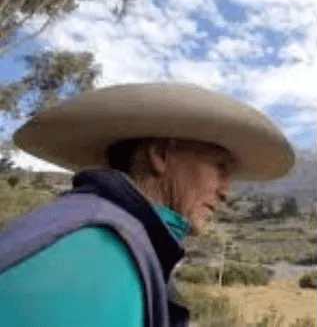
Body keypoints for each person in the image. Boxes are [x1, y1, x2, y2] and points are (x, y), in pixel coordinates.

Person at [0, 82, 295, 327]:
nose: (225, 193)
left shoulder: (93, 226)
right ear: (160, 155)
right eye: (220, 168)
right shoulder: (103, 251)